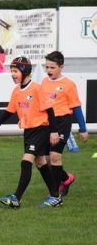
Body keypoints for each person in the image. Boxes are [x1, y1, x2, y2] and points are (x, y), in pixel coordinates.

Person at [0, 57, 62, 208]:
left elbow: (50, 110)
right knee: (40, 162)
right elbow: (8, 112)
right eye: (11, 71)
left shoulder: (36, 88)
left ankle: (16, 198)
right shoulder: (16, 91)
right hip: (29, 131)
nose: (12, 74)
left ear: (25, 71)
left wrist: (53, 131)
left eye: (15, 71)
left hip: (41, 129)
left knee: (25, 161)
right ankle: (55, 196)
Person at [41, 51, 89, 197]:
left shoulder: (69, 84)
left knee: (55, 156)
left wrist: (83, 128)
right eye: (47, 67)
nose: (49, 71)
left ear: (61, 67)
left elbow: (76, 107)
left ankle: (54, 195)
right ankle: (66, 179)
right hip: (47, 123)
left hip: (62, 122)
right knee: (47, 160)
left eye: (52, 67)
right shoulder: (44, 82)